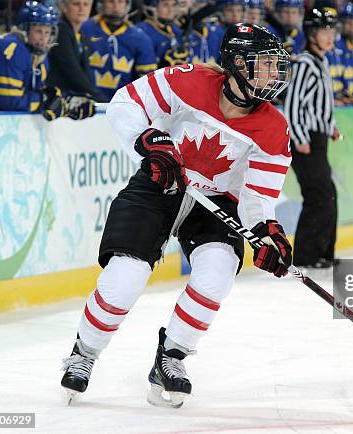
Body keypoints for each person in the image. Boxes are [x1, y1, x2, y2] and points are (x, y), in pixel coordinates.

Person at [60, 23, 293, 408]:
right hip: (162, 182)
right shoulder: (187, 81)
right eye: (264, 64)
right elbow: (125, 104)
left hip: (218, 203)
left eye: (274, 65)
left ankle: (172, 357)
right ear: (236, 63)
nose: (273, 74)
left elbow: (258, 199)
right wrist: (149, 142)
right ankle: (84, 352)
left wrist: (268, 234)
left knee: (217, 272)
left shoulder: (272, 128)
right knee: (125, 277)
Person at [284, 7, 340, 269]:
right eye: (323, 31)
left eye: (331, 31)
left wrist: (331, 126)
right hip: (306, 141)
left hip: (318, 138)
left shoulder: (322, 61)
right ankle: (307, 256)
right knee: (319, 195)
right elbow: (294, 103)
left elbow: (321, 104)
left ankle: (323, 253)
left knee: (327, 195)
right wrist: (299, 137)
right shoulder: (305, 63)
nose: (329, 36)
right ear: (311, 33)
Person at [0, 0, 67, 119]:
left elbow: (34, 93)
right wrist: (43, 100)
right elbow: (9, 101)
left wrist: (60, 101)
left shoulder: (39, 58)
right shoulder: (10, 48)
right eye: (38, 31)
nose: (43, 38)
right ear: (24, 29)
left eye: (47, 32)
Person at [80, 0, 157, 102]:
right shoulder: (85, 28)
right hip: (86, 102)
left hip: (122, 105)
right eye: (110, 2)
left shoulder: (141, 38)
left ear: (127, 5)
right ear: (101, 4)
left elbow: (146, 82)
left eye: (121, 1)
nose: (116, 6)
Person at [47, 0, 100, 118]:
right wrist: (99, 99)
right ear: (64, 7)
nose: (82, 9)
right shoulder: (60, 31)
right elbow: (72, 71)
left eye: (86, 4)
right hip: (56, 104)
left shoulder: (81, 36)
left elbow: (84, 75)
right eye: (76, 4)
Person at [326, 2, 353, 104]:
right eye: (349, 23)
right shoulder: (332, 43)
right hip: (332, 101)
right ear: (340, 23)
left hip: (348, 101)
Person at [135, 0, 187, 67]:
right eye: (165, 5)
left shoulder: (175, 29)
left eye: (174, 5)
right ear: (152, 7)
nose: (171, 10)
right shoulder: (141, 31)